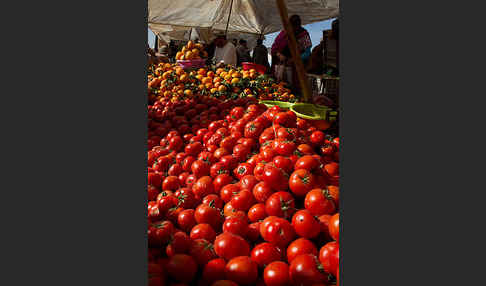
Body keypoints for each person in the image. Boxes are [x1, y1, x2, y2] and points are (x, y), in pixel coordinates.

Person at [271, 15, 312, 88]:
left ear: (298, 25)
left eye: (294, 27)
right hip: (280, 67)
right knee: (279, 88)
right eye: (290, 26)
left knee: (292, 89)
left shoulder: (303, 35)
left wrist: (294, 60)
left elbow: (307, 53)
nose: (292, 29)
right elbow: (274, 47)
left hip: (295, 69)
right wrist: (278, 54)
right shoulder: (283, 33)